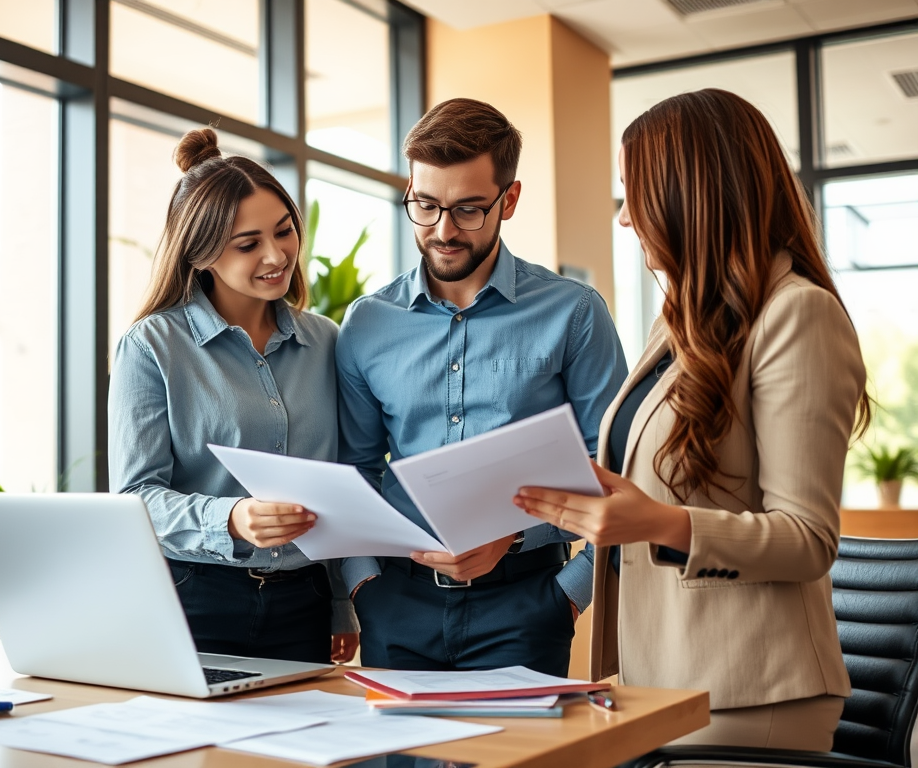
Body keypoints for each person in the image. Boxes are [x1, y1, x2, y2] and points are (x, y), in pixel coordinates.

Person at [514, 89, 870, 750]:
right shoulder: (683, 322)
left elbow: (808, 537)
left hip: (749, 689)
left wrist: (659, 524)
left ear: (691, 193)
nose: (624, 219)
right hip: (657, 681)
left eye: (634, 193)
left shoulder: (797, 315)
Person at [336, 98, 628, 676]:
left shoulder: (573, 314)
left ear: (509, 200)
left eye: (469, 209)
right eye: (425, 205)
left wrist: (565, 592)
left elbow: (617, 468)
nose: (443, 231)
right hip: (396, 600)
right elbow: (356, 467)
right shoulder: (367, 322)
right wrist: (364, 584)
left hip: (527, 601)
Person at [108, 128, 358, 665]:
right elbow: (136, 498)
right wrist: (232, 518)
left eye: (285, 231)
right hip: (193, 599)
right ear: (200, 255)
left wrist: (341, 603)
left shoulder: (326, 341)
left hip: (304, 600)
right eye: (248, 244)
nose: (276, 255)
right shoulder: (152, 346)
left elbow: (340, 478)